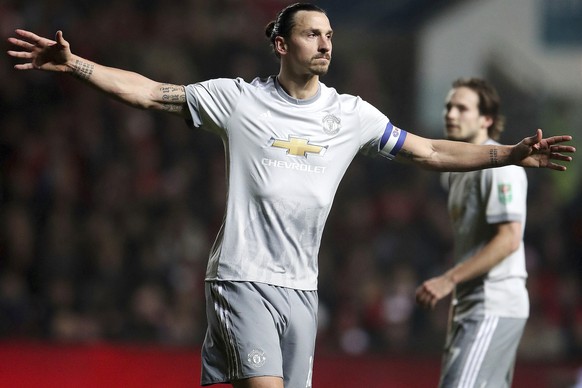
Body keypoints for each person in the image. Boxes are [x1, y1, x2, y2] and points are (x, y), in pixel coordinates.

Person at [7, 3, 575, 388]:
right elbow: (153, 94)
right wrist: (76, 64)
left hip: (302, 288)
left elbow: (429, 151)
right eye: (311, 33)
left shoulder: (350, 114)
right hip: (242, 276)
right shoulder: (238, 100)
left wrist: (507, 153)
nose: (326, 42)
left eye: (330, 34)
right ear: (281, 43)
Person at [415, 77, 535, 387]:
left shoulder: (503, 166)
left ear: (487, 119)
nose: (450, 114)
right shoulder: (456, 171)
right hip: (472, 305)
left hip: (494, 302)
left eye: (462, 108)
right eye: (448, 107)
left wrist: (448, 279)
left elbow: (509, 239)